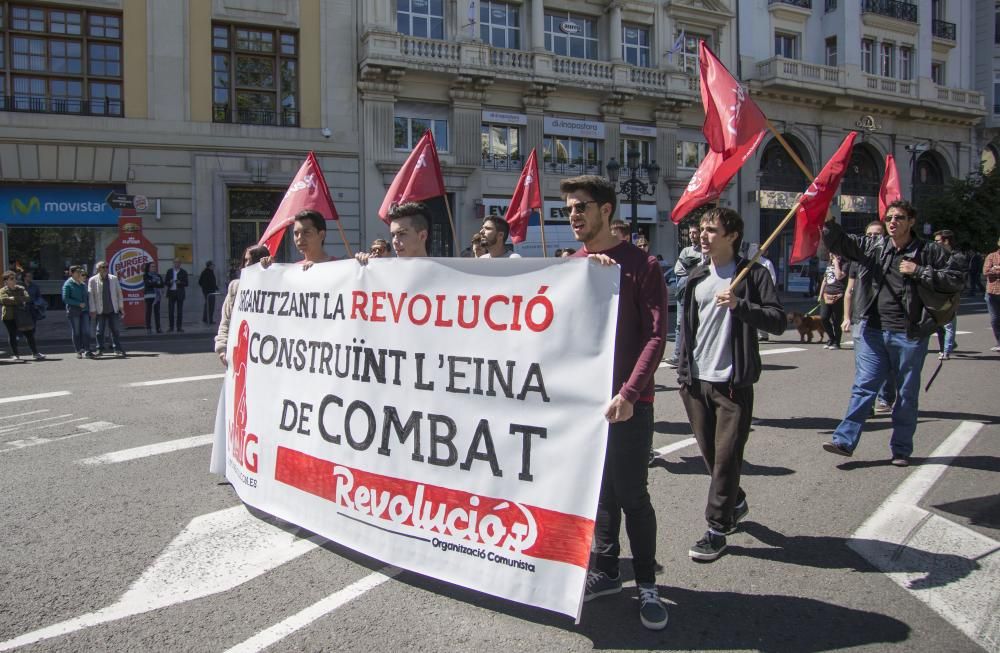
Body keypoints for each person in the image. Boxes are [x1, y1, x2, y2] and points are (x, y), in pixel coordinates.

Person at [562, 175, 669, 631]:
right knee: (597, 492)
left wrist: (629, 392)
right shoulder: (572, 264)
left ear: (606, 210)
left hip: (627, 405)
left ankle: (647, 582)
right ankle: (606, 571)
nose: (572, 215)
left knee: (631, 495)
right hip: (582, 406)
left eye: (581, 206)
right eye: (568, 208)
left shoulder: (643, 265)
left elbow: (657, 335)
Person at [676, 208, 786, 562]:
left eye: (711, 230)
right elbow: (686, 330)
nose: (702, 236)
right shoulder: (696, 277)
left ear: (732, 235)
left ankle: (717, 528)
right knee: (710, 457)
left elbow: (778, 320)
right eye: (701, 230)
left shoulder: (752, 275)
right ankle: (734, 500)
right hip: (696, 383)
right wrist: (683, 372)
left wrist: (741, 305)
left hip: (732, 384)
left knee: (726, 460)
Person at [821, 200, 964, 466]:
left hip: (909, 334)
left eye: (898, 217)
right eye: (888, 218)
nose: (892, 222)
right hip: (873, 331)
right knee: (864, 387)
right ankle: (844, 440)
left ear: (911, 221)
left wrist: (919, 270)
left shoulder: (929, 251)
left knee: (906, 393)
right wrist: (828, 221)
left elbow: (956, 278)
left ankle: (901, 449)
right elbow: (843, 243)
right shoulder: (876, 246)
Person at [843, 221, 894, 413]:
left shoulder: (893, 258)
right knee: (864, 367)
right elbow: (849, 290)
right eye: (869, 234)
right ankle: (866, 406)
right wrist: (846, 317)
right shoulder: (858, 259)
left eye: (877, 234)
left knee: (886, 364)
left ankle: (886, 397)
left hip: (887, 320)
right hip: (861, 318)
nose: (873, 238)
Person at [216, 245, 271, 367]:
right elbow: (226, 320)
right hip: (240, 353)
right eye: (245, 260)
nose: (247, 265)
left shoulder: (272, 288)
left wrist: (270, 273)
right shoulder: (235, 287)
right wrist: (221, 348)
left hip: (265, 357)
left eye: (252, 262)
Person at [664, 222, 704, 367]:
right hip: (684, 293)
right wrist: (695, 270)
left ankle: (697, 355)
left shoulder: (706, 251)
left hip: (699, 293)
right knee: (680, 323)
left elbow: (706, 271)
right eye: (690, 233)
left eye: (695, 232)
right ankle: (677, 355)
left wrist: (694, 269)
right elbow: (678, 270)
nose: (692, 236)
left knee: (700, 323)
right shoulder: (685, 251)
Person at [933, 230, 964, 360]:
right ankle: (947, 345)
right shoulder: (935, 255)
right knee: (939, 323)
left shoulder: (957, 257)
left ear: (946, 241)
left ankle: (946, 350)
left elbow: (959, 278)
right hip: (936, 294)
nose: (934, 243)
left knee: (949, 324)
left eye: (937, 241)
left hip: (950, 295)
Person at [1, 270, 45, 361]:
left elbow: (28, 298)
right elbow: (4, 301)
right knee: (12, 335)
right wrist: (19, 300)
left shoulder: (21, 288)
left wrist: (13, 299)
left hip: (22, 315)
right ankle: (16, 355)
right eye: (11, 279)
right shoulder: (2, 290)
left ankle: (35, 353)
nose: (14, 280)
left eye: (15, 278)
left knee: (29, 333)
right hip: (9, 316)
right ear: (6, 281)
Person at [88, 260, 126, 358]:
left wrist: (121, 307)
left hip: (113, 309)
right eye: (103, 267)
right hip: (100, 310)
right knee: (99, 331)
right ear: (98, 269)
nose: (105, 269)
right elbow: (91, 296)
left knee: (115, 330)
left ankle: (117, 349)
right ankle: (99, 349)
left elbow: (119, 293)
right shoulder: (92, 280)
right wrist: (92, 309)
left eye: (106, 267)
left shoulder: (113, 279)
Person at [746, 244, 776, 341]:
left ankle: (764, 334)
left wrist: (768, 291)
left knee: (762, 312)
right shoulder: (750, 263)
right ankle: (755, 334)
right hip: (752, 291)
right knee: (753, 312)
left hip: (763, 291)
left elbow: (772, 277)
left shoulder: (767, 263)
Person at [818, 253, 847, 350]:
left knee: (836, 321)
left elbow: (839, 276)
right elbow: (825, 280)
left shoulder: (845, 264)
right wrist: (820, 294)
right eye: (831, 253)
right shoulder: (829, 264)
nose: (831, 255)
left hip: (838, 295)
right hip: (826, 294)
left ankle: (837, 342)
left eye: (834, 254)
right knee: (824, 317)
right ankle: (831, 338)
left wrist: (836, 264)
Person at [62, 265, 93, 359]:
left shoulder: (83, 284)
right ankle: (78, 350)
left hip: (85, 311)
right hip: (74, 311)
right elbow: (65, 298)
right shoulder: (68, 284)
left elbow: (87, 297)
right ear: (72, 273)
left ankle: (87, 350)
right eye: (77, 271)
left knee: (86, 331)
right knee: (76, 332)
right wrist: (78, 303)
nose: (79, 273)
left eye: (80, 271)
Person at [164, 258, 188, 332]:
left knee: (179, 311)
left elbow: (186, 283)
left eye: (178, 262)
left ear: (180, 264)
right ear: (173, 263)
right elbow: (166, 282)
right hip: (171, 293)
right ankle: (171, 327)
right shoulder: (169, 271)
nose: (176, 264)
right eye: (175, 262)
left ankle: (179, 327)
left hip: (180, 293)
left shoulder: (183, 272)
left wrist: (180, 282)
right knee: (171, 311)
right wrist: (170, 282)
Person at [985, 236, 1000, 352]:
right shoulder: (991, 256)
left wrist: (995, 269)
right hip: (992, 293)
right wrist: (994, 269)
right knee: (994, 319)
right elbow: (986, 271)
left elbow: (991, 271)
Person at [143, 261, 164, 334]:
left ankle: (158, 328)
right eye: (152, 266)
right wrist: (155, 283)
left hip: (157, 296)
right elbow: (148, 284)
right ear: (148, 268)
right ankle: (148, 328)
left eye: (154, 266)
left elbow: (162, 285)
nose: (154, 268)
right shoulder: (146, 275)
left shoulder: (158, 275)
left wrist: (153, 282)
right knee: (148, 312)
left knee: (157, 312)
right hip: (149, 296)